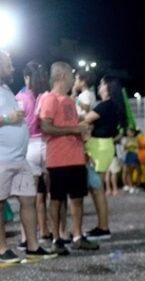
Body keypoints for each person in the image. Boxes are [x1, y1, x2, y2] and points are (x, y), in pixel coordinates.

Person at [0, 50, 55, 263]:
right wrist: (7, 117)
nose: (13, 68)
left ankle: (32, 246)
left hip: (19, 159)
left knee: (29, 200)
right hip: (2, 159)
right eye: (8, 64)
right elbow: (6, 118)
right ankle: (2, 249)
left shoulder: (5, 89)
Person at [39, 61, 97, 255]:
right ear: (62, 76)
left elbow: (74, 126)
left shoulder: (70, 101)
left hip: (76, 157)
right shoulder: (50, 99)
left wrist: (83, 147)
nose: (74, 79)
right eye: (72, 75)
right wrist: (74, 129)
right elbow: (45, 126)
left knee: (77, 198)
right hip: (58, 159)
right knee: (56, 200)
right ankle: (57, 239)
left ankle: (78, 236)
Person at [81, 75, 128, 241]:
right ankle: (101, 225)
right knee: (96, 189)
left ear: (108, 87)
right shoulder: (112, 105)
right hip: (102, 146)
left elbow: (85, 119)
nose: (99, 87)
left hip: (99, 147)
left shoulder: (105, 106)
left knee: (97, 188)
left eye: (101, 84)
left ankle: (103, 227)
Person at [15, 61, 51, 249]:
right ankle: (50, 232)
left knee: (29, 196)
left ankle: (25, 238)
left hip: (29, 147)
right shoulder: (46, 96)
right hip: (47, 144)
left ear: (27, 77)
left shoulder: (20, 96)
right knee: (50, 195)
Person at [121, 127, 141, 193]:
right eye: (128, 132)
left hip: (135, 156)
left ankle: (136, 186)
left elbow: (138, 147)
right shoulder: (126, 139)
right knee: (130, 172)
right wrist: (128, 146)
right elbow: (124, 148)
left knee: (139, 171)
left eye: (130, 132)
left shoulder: (136, 139)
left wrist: (137, 150)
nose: (129, 133)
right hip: (129, 155)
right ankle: (131, 186)